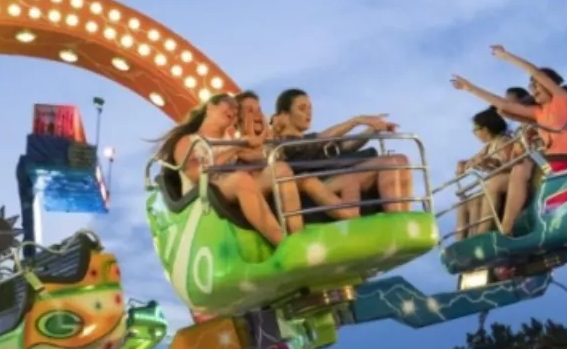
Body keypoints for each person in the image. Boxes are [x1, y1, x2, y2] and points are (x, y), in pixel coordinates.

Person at [450, 45, 567, 234]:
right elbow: (504, 105)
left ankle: (506, 228)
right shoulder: (538, 112)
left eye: (535, 84)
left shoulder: (561, 99)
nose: (533, 89)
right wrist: (470, 88)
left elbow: (534, 71)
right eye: (530, 86)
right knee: (494, 183)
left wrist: (506, 56)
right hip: (547, 162)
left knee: (521, 167)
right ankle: (480, 237)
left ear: (549, 84)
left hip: (564, 160)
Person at [152, 93, 293, 245]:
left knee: (280, 170)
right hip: (202, 198)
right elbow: (196, 174)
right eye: (229, 105)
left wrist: (267, 139)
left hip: (233, 190)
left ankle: (298, 234)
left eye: (236, 110)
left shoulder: (230, 139)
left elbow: (257, 156)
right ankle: (282, 242)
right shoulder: (188, 141)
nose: (233, 111)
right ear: (210, 107)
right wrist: (235, 148)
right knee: (241, 179)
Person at [272, 88, 415, 213]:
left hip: (338, 175)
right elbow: (321, 140)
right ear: (285, 114)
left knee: (401, 160)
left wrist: (373, 130)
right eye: (302, 108)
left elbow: (346, 146)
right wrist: (356, 121)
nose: (308, 113)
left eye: (310, 108)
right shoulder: (283, 144)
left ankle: (404, 220)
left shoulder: (312, 140)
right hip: (321, 186)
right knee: (390, 162)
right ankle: (397, 219)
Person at [234, 91, 359, 220]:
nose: (257, 114)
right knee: (308, 180)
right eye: (250, 111)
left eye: (259, 109)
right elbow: (262, 158)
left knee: (349, 177)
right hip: (271, 200)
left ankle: (354, 217)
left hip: (292, 190)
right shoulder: (237, 148)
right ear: (237, 119)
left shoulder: (273, 140)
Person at [455, 108, 518, 237]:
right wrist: (464, 164)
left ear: (485, 129)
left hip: (507, 180)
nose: (474, 134)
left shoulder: (503, 141)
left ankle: (480, 234)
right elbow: (474, 160)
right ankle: (463, 240)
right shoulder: (489, 146)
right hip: (493, 181)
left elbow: (505, 164)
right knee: (465, 203)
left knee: (479, 198)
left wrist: (487, 163)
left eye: (475, 130)